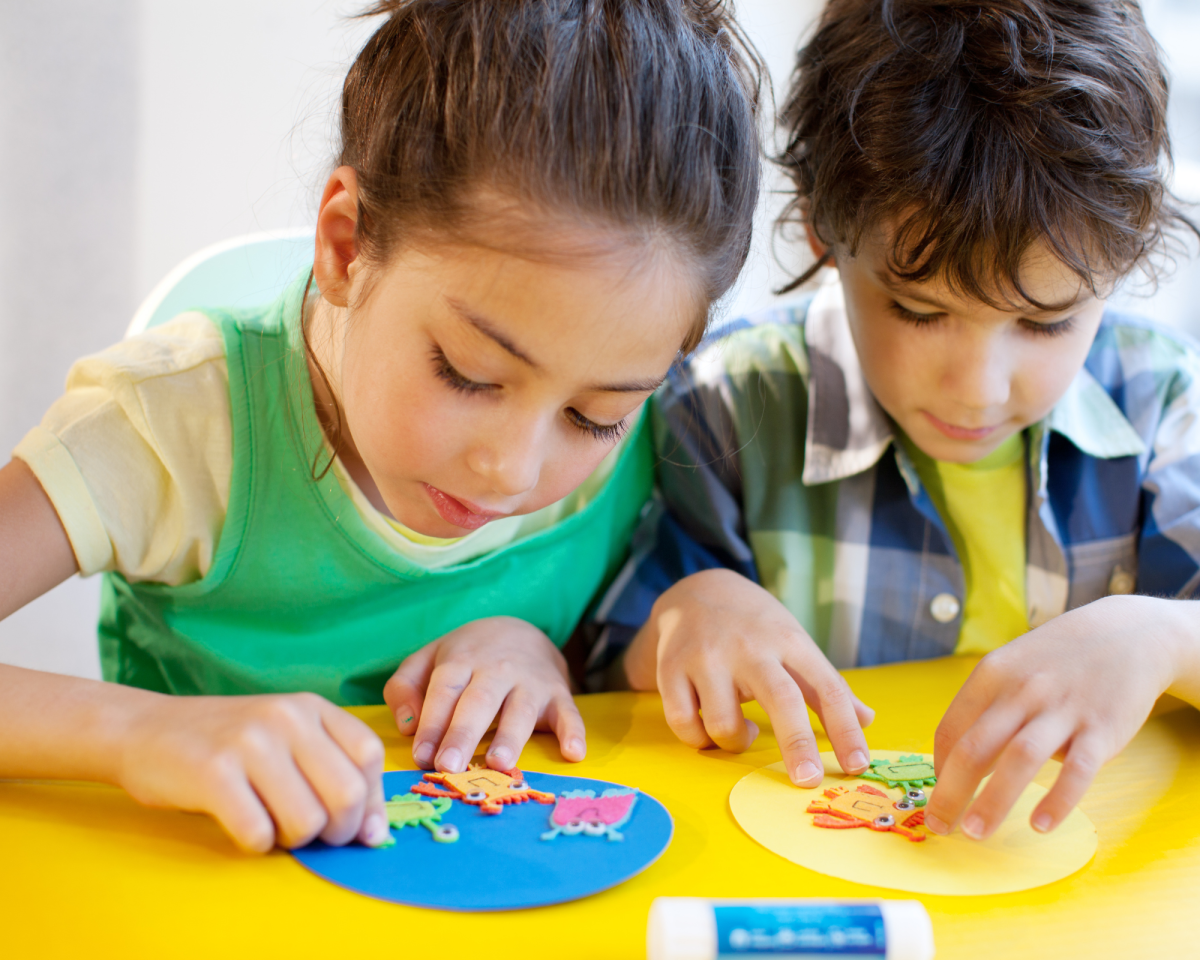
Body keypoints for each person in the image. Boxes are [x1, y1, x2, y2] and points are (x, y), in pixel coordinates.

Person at [0, 0, 762, 853]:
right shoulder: (172, 423)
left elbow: (607, 649)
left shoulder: (660, 415)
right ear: (346, 245)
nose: (511, 470)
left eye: (595, 416)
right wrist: (137, 733)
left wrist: (546, 656)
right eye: (468, 374)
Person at [590, 0, 1200, 842]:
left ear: (1121, 262)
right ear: (825, 234)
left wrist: (1165, 635)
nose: (978, 389)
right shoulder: (729, 404)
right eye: (918, 310)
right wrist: (686, 612)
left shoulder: (1161, 396)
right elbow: (606, 669)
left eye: (1046, 322)